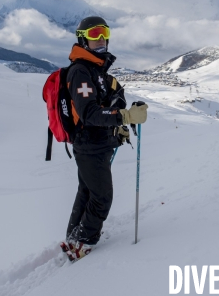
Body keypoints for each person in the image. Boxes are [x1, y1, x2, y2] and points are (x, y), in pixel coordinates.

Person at [62, 16, 148, 261]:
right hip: (89, 144)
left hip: (97, 142)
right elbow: (89, 113)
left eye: (103, 33)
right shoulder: (80, 71)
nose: (100, 39)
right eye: (94, 34)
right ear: (83, 39)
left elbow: (110, 98)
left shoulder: (96, 69)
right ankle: (83, 241)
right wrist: (124, 116)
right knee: (102, 197)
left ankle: (73, 236)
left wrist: (120, 122)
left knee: (87, 192)